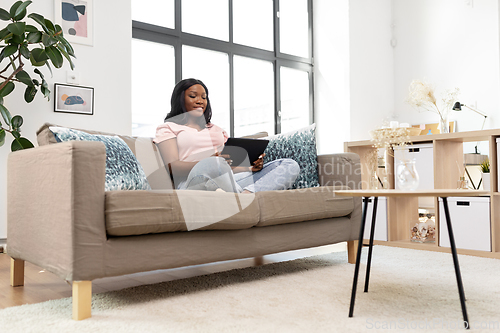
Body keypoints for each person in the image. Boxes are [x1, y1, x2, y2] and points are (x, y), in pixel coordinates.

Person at [154, 78, 300, 193]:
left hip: (228, 180)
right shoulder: (169, 128)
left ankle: (245, 196)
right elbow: (172, 167)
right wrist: (209, 161)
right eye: (193, 96)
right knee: (214, 164)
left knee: (289, 165)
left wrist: (250, 168)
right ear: (180, 99)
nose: (200, 101)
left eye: (204, 97)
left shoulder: (217, 130)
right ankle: (237, 196)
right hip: (193, 181)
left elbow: (228, 166)